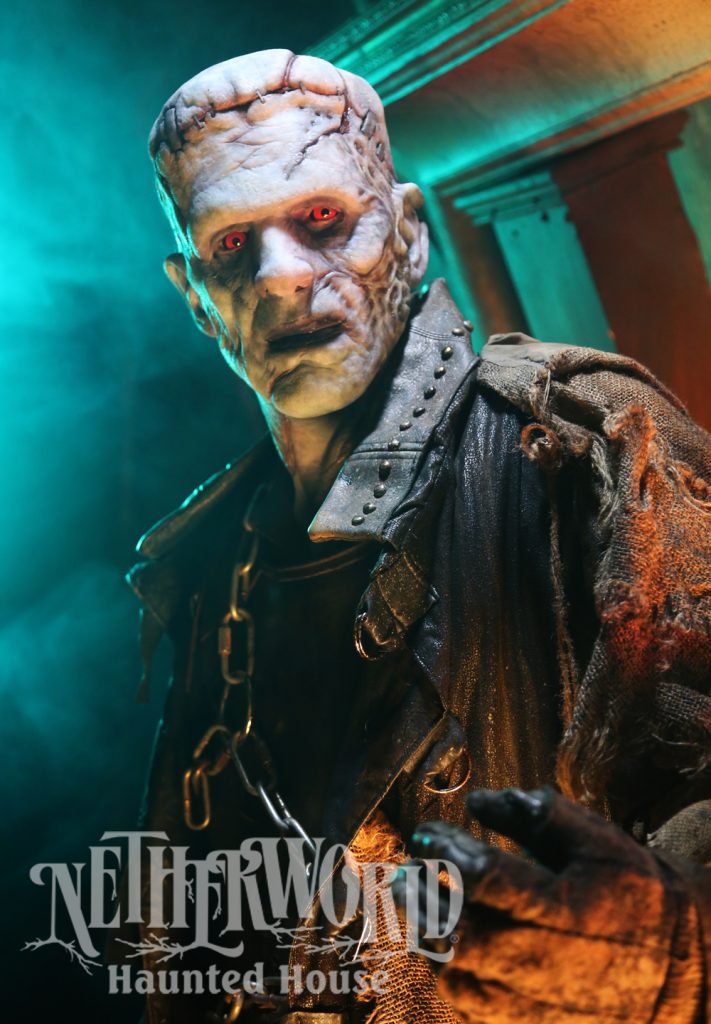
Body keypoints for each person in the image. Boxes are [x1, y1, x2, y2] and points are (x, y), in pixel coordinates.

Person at [128, 49, 711, 1023]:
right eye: (231, 244)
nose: (281, 276)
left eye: (322, 218)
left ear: (406, 234)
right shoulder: (210, 557)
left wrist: (672, 949)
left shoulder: (585, 440)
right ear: (195, 298)